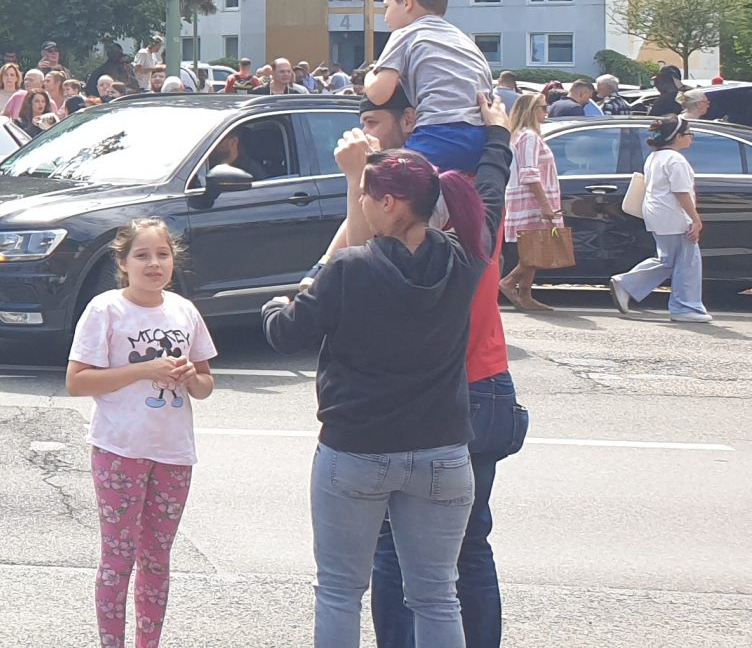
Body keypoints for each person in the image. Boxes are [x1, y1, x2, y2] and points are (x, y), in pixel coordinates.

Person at [264, 143, 492, 648]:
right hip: (442, 450)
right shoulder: (465, 260)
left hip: (356, 449)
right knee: (436, 596)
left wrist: (279, 301)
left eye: (366, 194)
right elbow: (491, 197)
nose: (362, 203)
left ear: (388, 203)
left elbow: (285, 332)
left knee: (340, 592)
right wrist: (496, 136)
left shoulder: (350, 268)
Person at [342, 92, 524, 648]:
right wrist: (496, 136)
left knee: (393, 546)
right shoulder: (474, 230)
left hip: (418, 403)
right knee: (469, 547)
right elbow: (492, 182)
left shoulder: (391, 246)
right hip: (486, 389)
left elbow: (343, 269)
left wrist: (355, 180)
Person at [65, 220, 216, 648]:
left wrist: (190, 377)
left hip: (174, 452)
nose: (154, 264)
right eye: (143, 255)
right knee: (118, 557)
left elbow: (205, 385)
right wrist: (144, 370)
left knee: (157, 558)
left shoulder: (185, 311)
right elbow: (77, 381)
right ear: (123, 262)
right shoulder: (105, 310)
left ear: (173, 261)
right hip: (119, 448)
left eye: (162, 255)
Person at [364, 0, 495, 174]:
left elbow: (379, 94)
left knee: (393, 179)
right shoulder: (463, 40)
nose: (385, 16)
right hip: (480, 135)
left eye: (387, 6)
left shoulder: (405, 34)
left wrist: (371, 75)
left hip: (437, 132)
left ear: (407, 2)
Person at [610, 116, 711, 323]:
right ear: (678, 137)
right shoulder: (675, 159)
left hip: (658, 215)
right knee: (687, 263)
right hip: (673, 216)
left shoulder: (655, 157)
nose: (691, 137)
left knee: (668, 260)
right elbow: (681, 192)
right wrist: (695, 219)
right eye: (689, 133)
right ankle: (685, 307)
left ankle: (627, 283)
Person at [496, 95, 561, 313]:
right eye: (543, 107)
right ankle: (510, 282)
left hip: (527, 198)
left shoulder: (522, 136)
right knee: (537, 247)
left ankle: (525, 293)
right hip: (531, 200)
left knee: (534, 247)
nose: (547, 111)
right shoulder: (529, 137)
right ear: (531, 110)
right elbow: (529, 173)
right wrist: (545, 205)